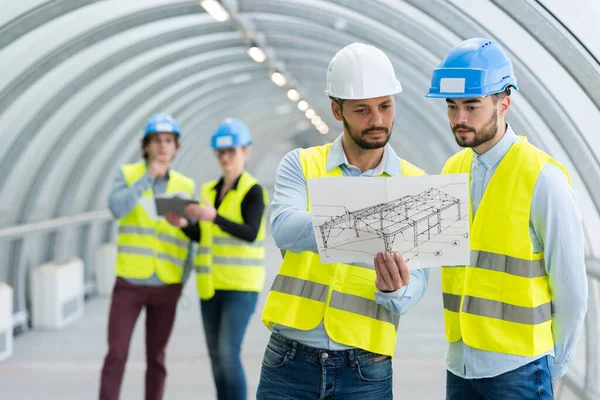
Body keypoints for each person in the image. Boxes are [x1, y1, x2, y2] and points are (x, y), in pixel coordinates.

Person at [256, 42, 431, 399]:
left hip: (365, 367)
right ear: (337, 110)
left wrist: (395, 290)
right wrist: (367, 217)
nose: (377, 120)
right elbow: (285, 228)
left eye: (385, 106)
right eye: (362, 110)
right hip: (289, 359)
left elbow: (417, 285)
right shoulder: (302, 164)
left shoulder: (416, 184)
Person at [426, 37, 588, 399]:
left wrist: (554, 364)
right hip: (460, 363)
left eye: (472, 106)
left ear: (504, 104)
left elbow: (572, 285)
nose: (460, 119)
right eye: (452, 107)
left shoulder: (541, 177)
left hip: (519, 369)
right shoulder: (452, 169)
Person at [166, 118, 268, 400]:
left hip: (240, 286)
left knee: (228, 352)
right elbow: (206, 236)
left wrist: (216, 217)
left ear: (245, 152)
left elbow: (249, 232)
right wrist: (186, 225)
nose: (225, 158)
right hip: (210, 285)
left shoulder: (253, 190)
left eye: (231, 151)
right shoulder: (209, 190)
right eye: (221, 153)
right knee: (215, 355)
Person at [99, 113, 195, 400]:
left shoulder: (185, 185)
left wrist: (182, 281)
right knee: (116, 353)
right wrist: (146, 178)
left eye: (169, 141)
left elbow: (190, 237)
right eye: (157, 141)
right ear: (146, 146)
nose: (163, 147)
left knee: (157, 357)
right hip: (130, 282)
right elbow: (117, 209)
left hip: (167, 284)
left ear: (176, 147)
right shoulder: (127, 175)